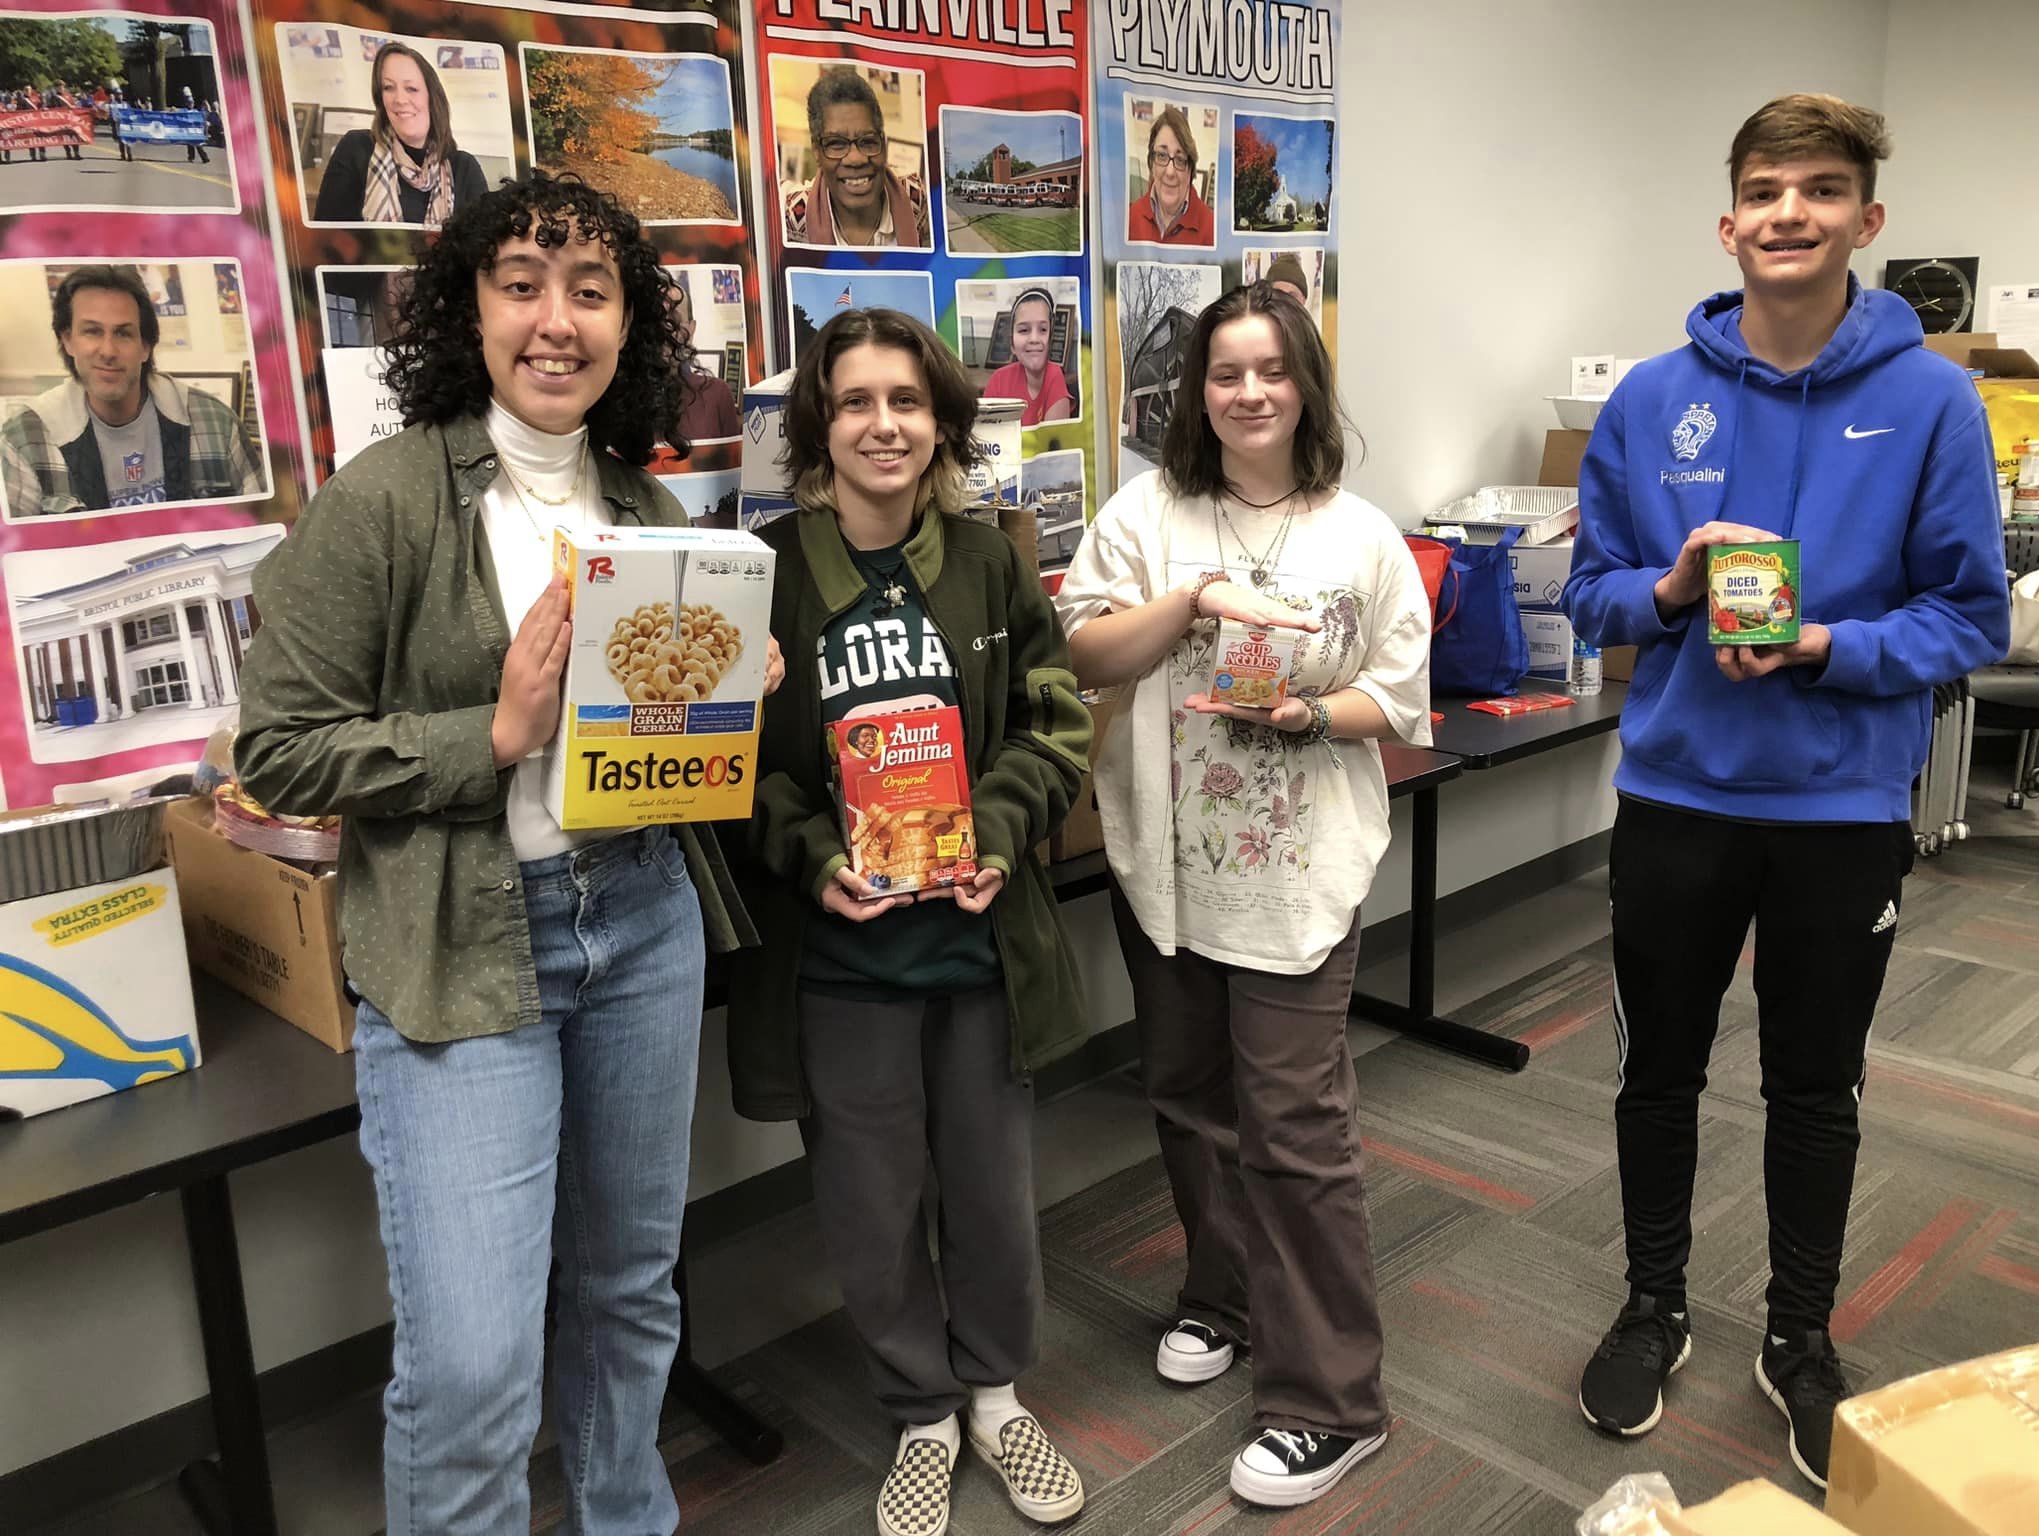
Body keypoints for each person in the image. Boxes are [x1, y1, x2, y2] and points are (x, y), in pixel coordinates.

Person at [233, 171, 782, 1535]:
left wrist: (732, 695)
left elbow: (666, 756)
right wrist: (493, 732)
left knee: (628, 1291)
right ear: (469, 309)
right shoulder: (386, 501)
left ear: (626, 328)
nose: (557, 320)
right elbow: (281, 755)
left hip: (640, 918)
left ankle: (625, 1518)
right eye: (523, 284)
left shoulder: (647, 515)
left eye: (590, 293)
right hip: (464, 940)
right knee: (474, 1360)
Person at [1562, 95, 2009, 1490]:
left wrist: (1827, 649)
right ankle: (1653, 1303)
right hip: (1680, 800)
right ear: (1729, 220)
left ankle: (1799, 1337)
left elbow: (1970, 619)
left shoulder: (1932, 397)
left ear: (1867, 221)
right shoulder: (1651, 400)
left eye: (1822, 191)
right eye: (1765, 189)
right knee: (1657, 1070)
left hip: (1841, 811)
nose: (1790, 214)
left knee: (1815, 1089)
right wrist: (1671, 590)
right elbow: (1586, 601)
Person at [1055, 282, 1432, 1510]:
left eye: (1271, 370)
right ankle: (1218, 1297)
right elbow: (1085, 653)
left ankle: (1330, 1398)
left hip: (1294, 881)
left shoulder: (1358, 537)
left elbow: (1399, 699)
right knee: (1186, 1099)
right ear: (1195, 390)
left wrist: (1309, 713)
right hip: (1163, 870)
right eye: (1225, 372)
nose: (1248, 393)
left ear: (1305, 386)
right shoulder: (1146, 514)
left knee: (1292, 1130)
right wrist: (1193, 604)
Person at [724, 306, 1091, 1536]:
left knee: (990, 1192)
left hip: (975, 949)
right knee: (869, 1205)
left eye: (905, 401)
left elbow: (1054, 721)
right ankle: (919, 1411)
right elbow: (739, 770)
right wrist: (814, 854)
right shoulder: (764, 574)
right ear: (816, 427)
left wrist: (992, 834)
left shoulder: (991, 558)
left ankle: (992, 1391)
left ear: (941, 422)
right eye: (852, 402)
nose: (881, 425)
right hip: (840, 963)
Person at [1, 265, 264, 516]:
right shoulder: (24, 438)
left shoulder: (215, 421)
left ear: (145, 346)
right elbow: (9, 551)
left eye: (123, 334)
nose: (107, 351)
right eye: (92, 331)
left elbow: (265, 527)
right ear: (68, 340)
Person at [312, 41, 485, 226]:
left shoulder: (464, 169)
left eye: (411, 88)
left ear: (433, 98)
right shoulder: (355, 149)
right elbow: (325, 240)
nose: (400, 99)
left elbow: (485, 248)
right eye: (388, 87)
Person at [782, 67, 931, 248]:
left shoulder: (913, 196)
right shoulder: (792, 215)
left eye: (868, 141)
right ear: (817, 151)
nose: (856, 158)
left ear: (882, 144)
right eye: (836, 143)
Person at [981, 287, 1073, 426]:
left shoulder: (1054, 376)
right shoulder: (998, 380)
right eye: (1024, 330)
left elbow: (1054, 443)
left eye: (1043, 330)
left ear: (1051, 339)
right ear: (1012, 343)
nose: (1034, 339)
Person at [1126, 104, 1214, 246]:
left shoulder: (1211, 229)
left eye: (1180, 160)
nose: (1170, 172)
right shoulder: (1129, 218)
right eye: (1162, 155)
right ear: (1151, 163)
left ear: (1190, 169)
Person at [670, 276, 740, 446]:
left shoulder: (717, 394)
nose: (666, 328)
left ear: (691, 329)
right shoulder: (621, 400)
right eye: (655, 318)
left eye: (675, 319)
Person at [179, 86, 209, 164]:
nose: (191, 104)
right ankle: (191, 157)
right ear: (187, 103)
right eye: (189, 103)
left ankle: (205, 158)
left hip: (196, 131)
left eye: (192, 103)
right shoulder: (184, 111)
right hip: (189, 131)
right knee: (190, 145)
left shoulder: (196, 111)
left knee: (199, 145)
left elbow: (201, 119)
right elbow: (179, 116)